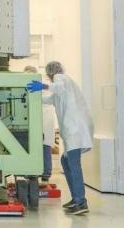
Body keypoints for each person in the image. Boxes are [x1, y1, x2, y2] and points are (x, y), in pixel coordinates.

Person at [26, 61, 93, 215]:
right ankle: (76, 199)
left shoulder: (61, 79)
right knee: (65, 161)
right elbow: (49, 99)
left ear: (51, 74)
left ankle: (81, 202)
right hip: (72, 131)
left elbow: (58, 87)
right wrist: (31, 95)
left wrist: (42, 86)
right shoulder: (61, 91)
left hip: (75, 130)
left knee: (73, 163)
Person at [24, 65, 56, 182]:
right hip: (43, 117)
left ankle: (35, 172)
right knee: (44, 146)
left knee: (40, 146)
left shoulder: (38, 83)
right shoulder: (42, 83)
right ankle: (45, 173)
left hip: (42, 117)